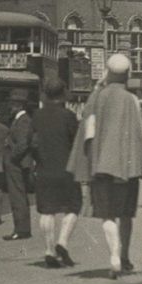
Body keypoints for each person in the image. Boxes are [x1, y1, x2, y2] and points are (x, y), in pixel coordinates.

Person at [66, 55, 142, 279]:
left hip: (101, 168)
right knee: (126, 215)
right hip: (127, 168)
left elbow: (87, 132)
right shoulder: (132, 101)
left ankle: (114, 257)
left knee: (107, 215)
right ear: (128, 74)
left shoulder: (95, 100)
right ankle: (126, 257)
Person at [31, 79, 81, 268]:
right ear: (62, 95)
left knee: (47, 211)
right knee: (73, 207)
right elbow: (76, 143)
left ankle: (49, 250)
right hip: (66, 169)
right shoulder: (68, 116)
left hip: (44, 169)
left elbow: (32, 142)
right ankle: (62, 242)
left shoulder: (36, 116)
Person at [2, 98, 34, 241]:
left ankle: (21, 230)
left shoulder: (23, 120)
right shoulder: (20, 119)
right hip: (18, 162)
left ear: (20, 106)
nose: (10, 108)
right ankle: (21, 228)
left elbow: (22, 143)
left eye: (13, 105)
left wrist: (12, 158)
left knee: (17, 196)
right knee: (18, 195)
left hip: (17, 164)